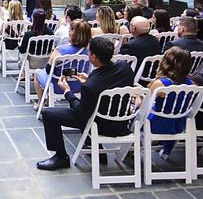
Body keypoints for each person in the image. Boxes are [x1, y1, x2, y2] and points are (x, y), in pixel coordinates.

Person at [36, 36, 136, 170]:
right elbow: (110, 85)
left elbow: (80, 113)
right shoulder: (125, 68)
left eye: (89, 52)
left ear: (94, 57)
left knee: (48, 114)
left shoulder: (91, 86)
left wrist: (67, 92)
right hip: (122, 123)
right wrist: (89, 79)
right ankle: (93, 146)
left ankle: (61, 157)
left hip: (100, 125)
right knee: (92, 107)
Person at [138, 46, 194, 158]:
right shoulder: (191, 84)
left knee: (135, 107)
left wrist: (137, 96)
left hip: (157, 125)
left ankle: (135, 146)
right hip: (178, 125)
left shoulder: (161, 84)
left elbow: (143, 105)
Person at [34, 19, 91, 108]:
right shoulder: (89, 52)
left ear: (73, 32)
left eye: (70, 29)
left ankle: (40, 102)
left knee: (37, 73)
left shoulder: (60, 50)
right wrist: (71, 72)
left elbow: (48, 70)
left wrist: (64, 72)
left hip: (58, 85)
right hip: (78, 85)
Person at [18, 9, 54, 73]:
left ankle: (24, 74)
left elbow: (22, 50)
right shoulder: (51, 33)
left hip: (31, 63)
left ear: (33, 19)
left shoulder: (29, 34)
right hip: (46, 62)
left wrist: (19, 45)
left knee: (21, 54)